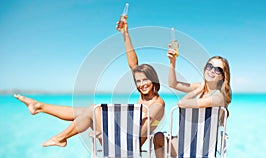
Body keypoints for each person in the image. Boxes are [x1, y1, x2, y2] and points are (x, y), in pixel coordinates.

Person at [14, 23, 165, 149]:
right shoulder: (143, 97)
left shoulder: (158, 104)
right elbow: (134, 65)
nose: (142, 84)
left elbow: (143, 126)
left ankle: (59, 137)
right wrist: (125, 34)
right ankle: (40, 107)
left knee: (94, 110)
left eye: (145, 80)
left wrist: (108, 123)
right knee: (86, 111)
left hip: (126, 145)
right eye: (138, 81)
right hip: (119, 137)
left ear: (153, 80)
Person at [153, 46, 231, 158]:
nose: (212, 70)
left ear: (222, 77)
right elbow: (173, 83)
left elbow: (182, 103)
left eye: (217, 69)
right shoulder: (202, 88)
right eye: (210, 66)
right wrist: (172, 63)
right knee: (159, 138)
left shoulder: (218, 97)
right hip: (189, 142)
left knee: (164, 146)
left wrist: (197, 90)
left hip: (200, 146)